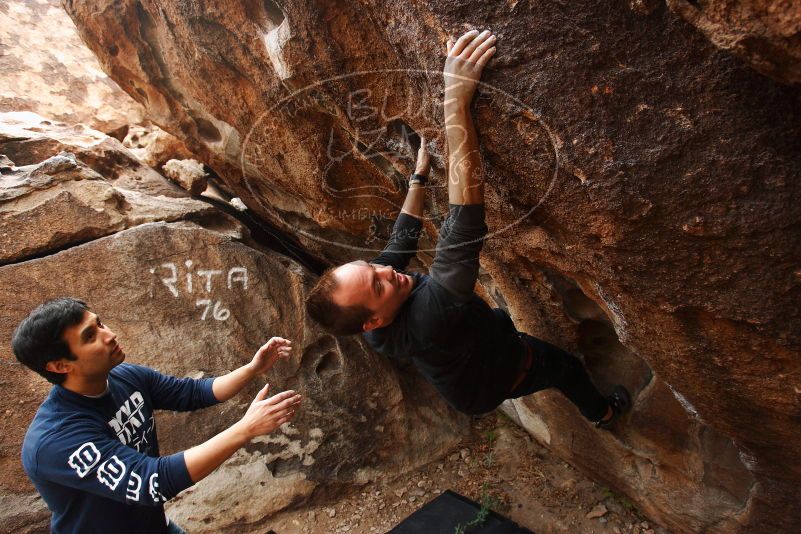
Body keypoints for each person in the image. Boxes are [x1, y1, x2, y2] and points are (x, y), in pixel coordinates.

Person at [305, 29, 630, 426]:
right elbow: (463, 225)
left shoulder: (375, 303)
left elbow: (401, 240)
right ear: (372, 321)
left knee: (507, 334)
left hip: (466, 362)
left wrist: (418, 178)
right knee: (565, 368)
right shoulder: (427, 321)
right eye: (377, 283)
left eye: (371, 267)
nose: (386, 270)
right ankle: (604, 414)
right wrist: (455, 103)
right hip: (492, 380)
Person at [12, 297, 302, 534]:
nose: (109, 335)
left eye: (99, 323)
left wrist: (251, 369)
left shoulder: (124, 376)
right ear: (60, 366)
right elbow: (153, 481)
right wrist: (245, 429)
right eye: (90, 336)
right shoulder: (56, 440)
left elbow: (190, 393)